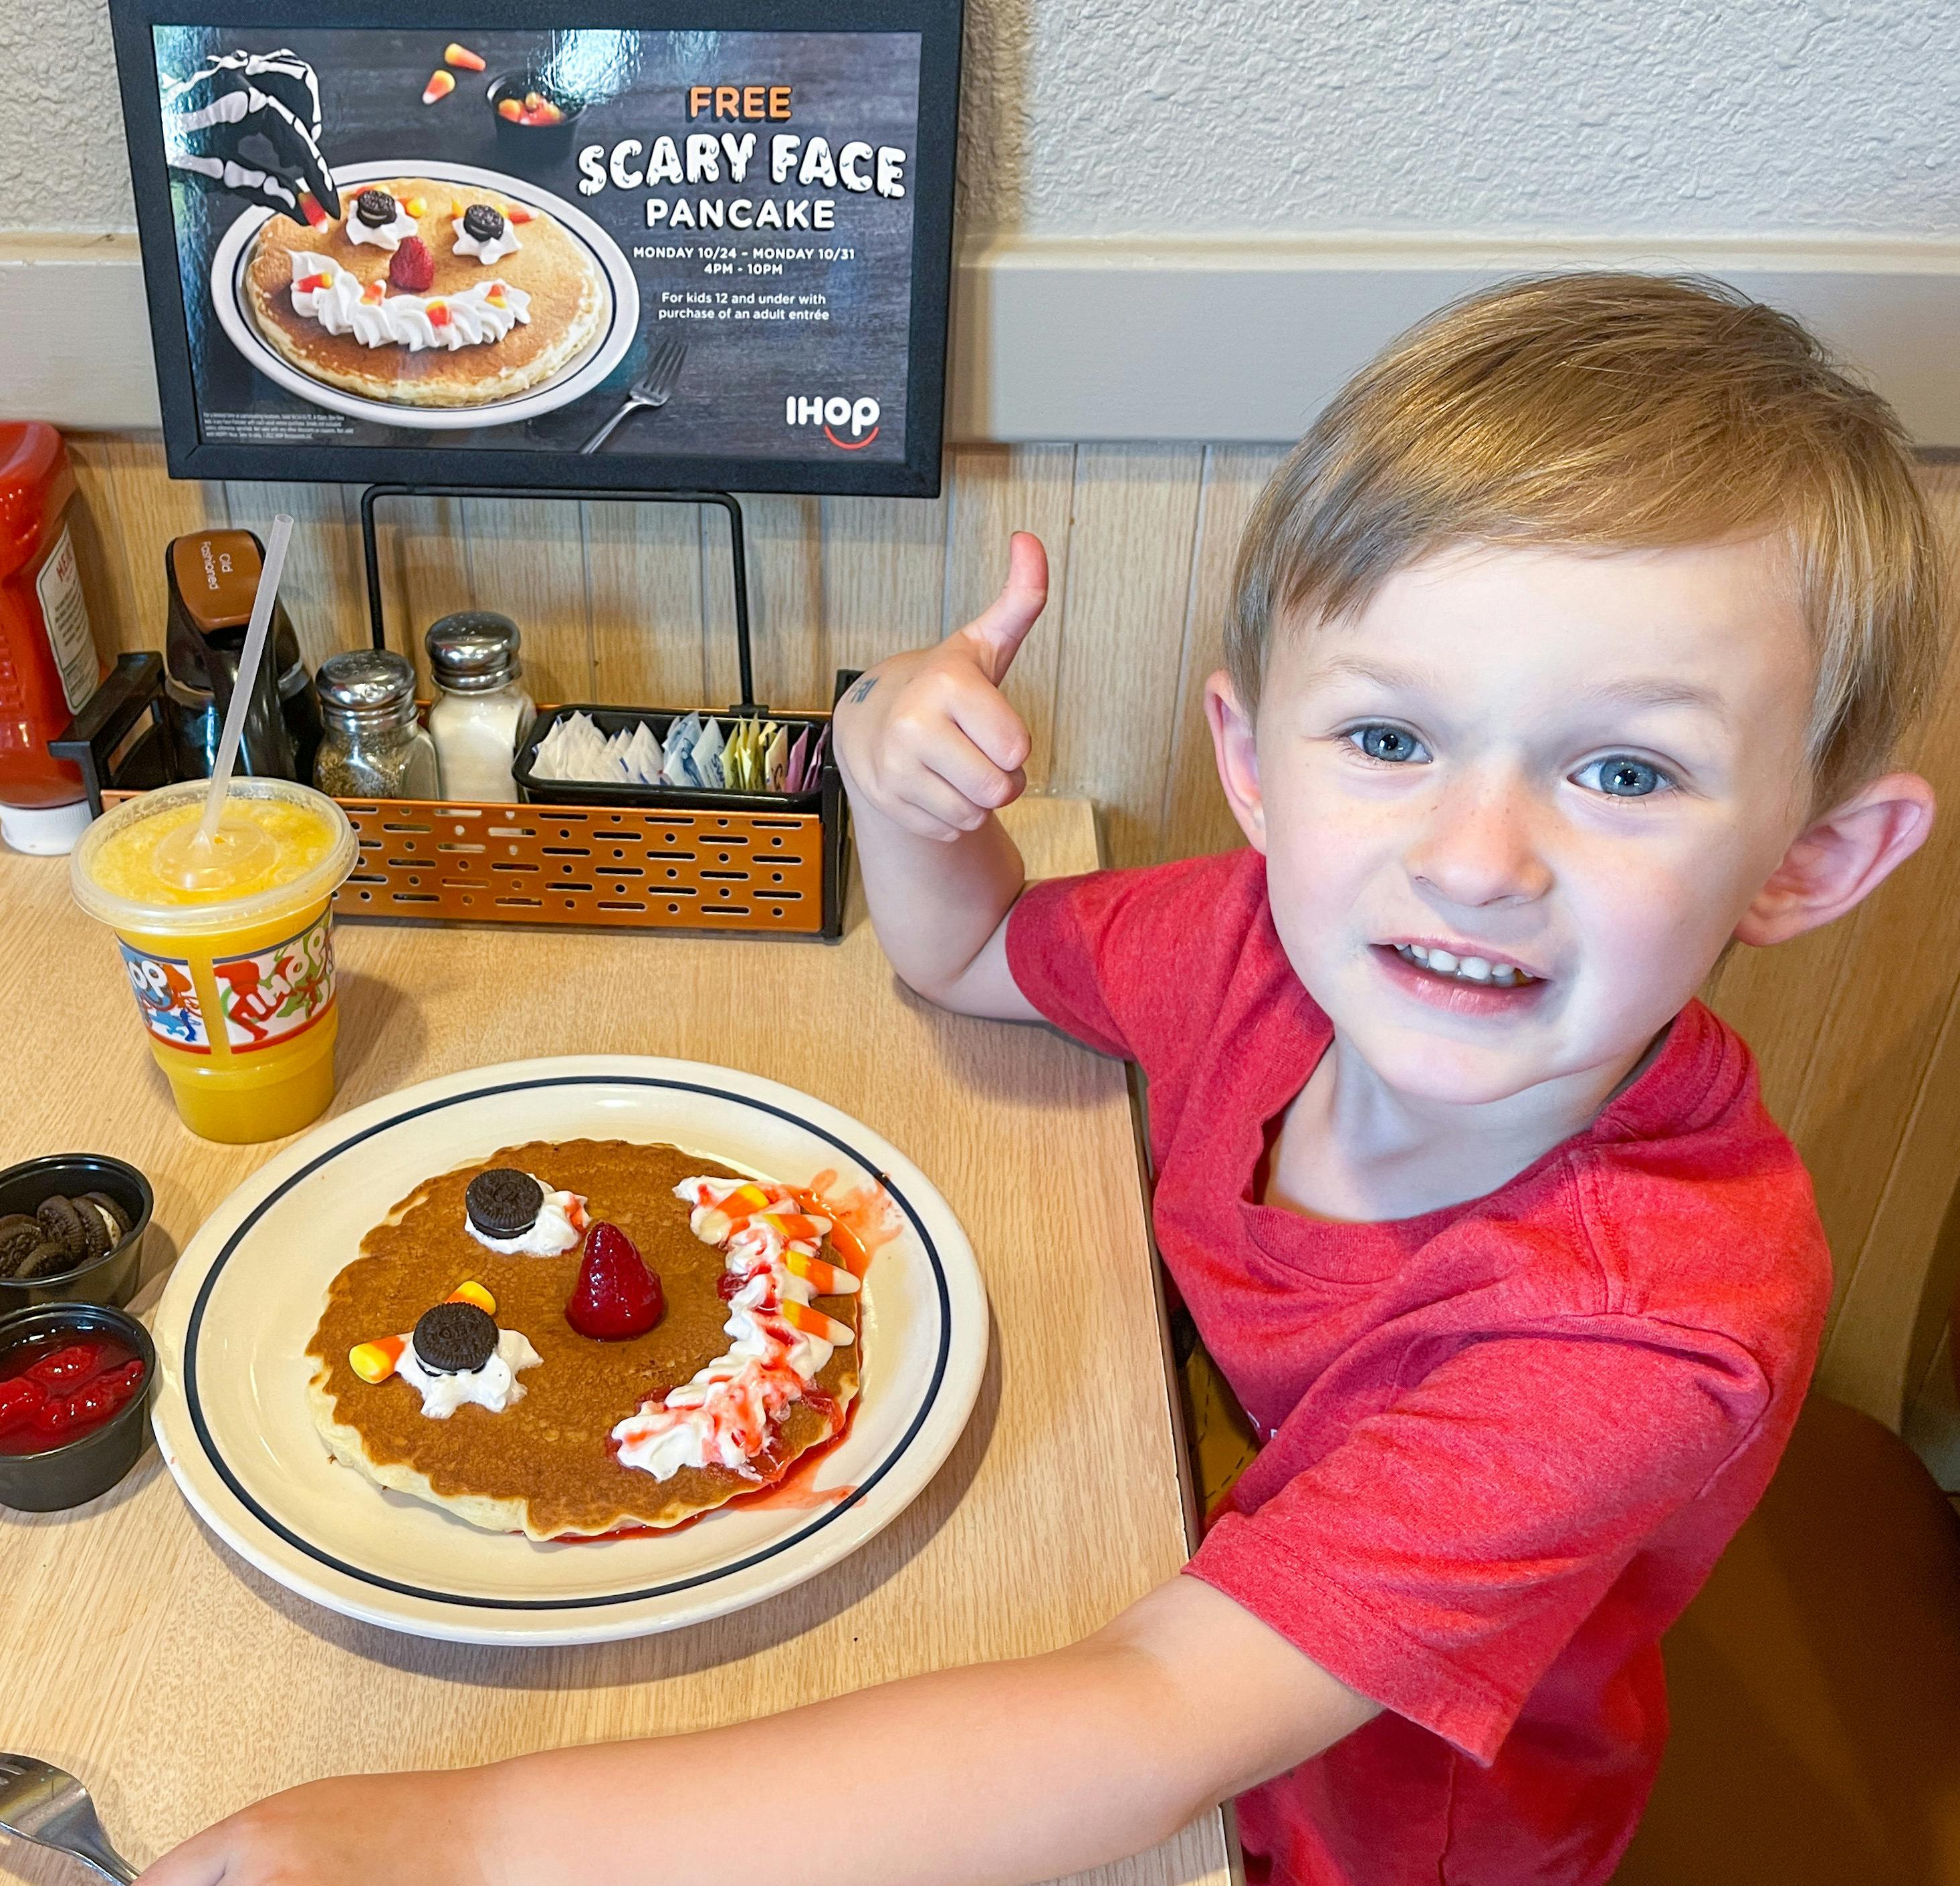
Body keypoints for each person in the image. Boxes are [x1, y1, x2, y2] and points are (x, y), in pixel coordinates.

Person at [137, 273, 1943, 1886]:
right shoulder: (1258, 943)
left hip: (1375, 1831)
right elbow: (970, 958)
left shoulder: (1632, 1337)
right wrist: (887, 778)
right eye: (1387, 739)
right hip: (1163, 1590)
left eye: (1623, 775)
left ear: (1809, 860)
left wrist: (456, 1841)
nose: (1474, 859)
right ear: (1251, 762)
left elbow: (1147, 1719)